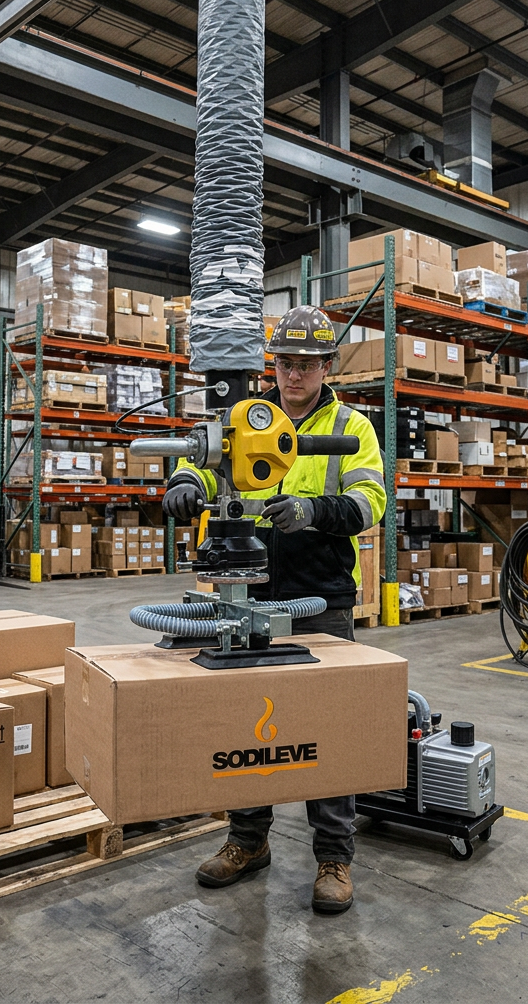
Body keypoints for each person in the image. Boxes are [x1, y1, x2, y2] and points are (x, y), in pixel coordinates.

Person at [162, 304, 386, 915]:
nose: (293, 375)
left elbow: (371, 503)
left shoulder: (352, 427)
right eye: (285, 363)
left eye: (306, 365)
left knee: (325, 726)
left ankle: (334, 856)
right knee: (245, 722)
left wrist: (313, 511)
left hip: (322, 597)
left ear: (326, 366)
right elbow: (206, 461)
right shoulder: (244, 416)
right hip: (246, 590)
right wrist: (186, 482)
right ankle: (246, 839)